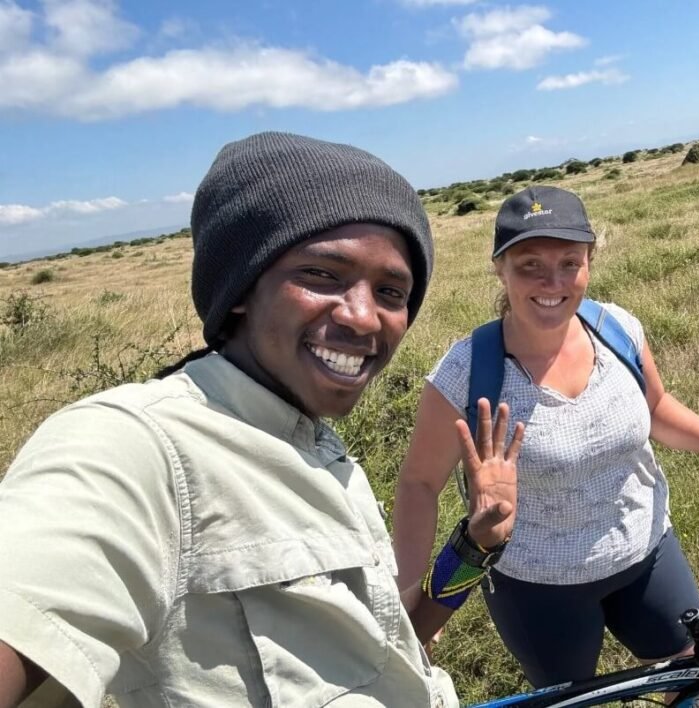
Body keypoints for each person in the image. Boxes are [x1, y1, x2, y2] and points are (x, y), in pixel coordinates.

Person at [0, 131, 522, 708]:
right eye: (322, 274)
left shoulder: (319, 449)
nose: (363, 317)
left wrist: (474, 548)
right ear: (242, 285)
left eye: (391, 291)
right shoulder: (134, 447)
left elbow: (391, 654)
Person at [393, 185, 699, 689]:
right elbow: (419, 484)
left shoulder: (618, 330)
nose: (553, 282)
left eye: (570, 262)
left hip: (647, 553)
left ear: (589, 261)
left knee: (695, 677)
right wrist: (407, 596)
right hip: (537, 585)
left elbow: (656, 407)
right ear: (499, 268)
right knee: (571, 697)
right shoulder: (465, 373)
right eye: (530, 264)